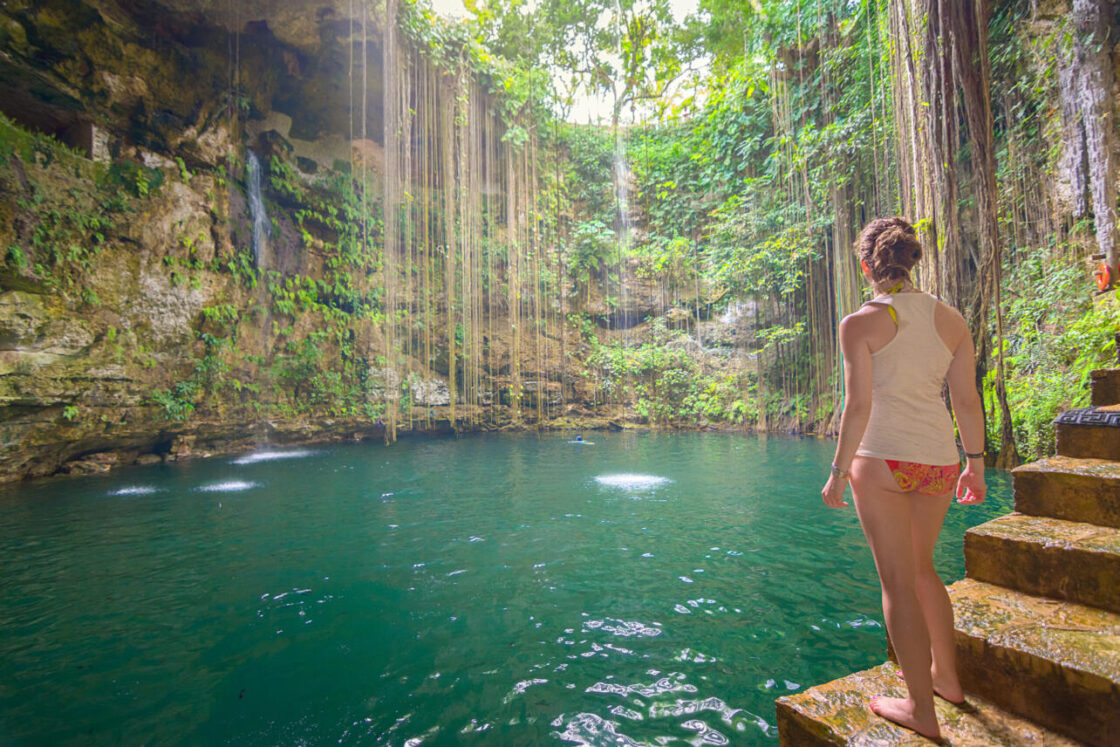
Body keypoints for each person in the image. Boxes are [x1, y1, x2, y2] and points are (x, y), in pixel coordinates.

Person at [820, 216, 987, 740]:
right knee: (923, 571)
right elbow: (965, 399)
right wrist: (975, 463)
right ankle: (948, 681)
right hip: (938, 461)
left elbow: (859, 405)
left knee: (896, 583)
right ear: (913, 261)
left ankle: (921, 708)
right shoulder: (951, 320)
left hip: (882, 461)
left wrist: (838, 472)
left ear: (866, 266)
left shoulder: (859, 324)